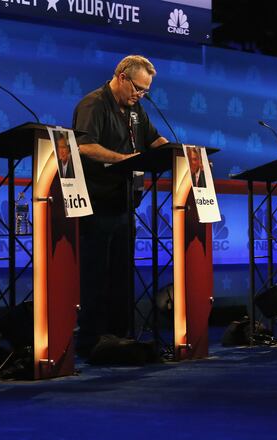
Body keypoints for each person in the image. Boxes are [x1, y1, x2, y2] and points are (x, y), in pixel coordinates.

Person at [72, 55, 168, 357]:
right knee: (95, 276)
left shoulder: (136, 110)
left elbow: (154, 141)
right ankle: (92, 340)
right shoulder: (94, 104)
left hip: (125, 203)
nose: (141, 95)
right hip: (97, 203)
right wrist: (126, 159)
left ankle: (119, 337)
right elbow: (85, 146)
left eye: (145, 91)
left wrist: (179, 155)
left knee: (121, 276)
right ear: (122, 77)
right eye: (138, 89)